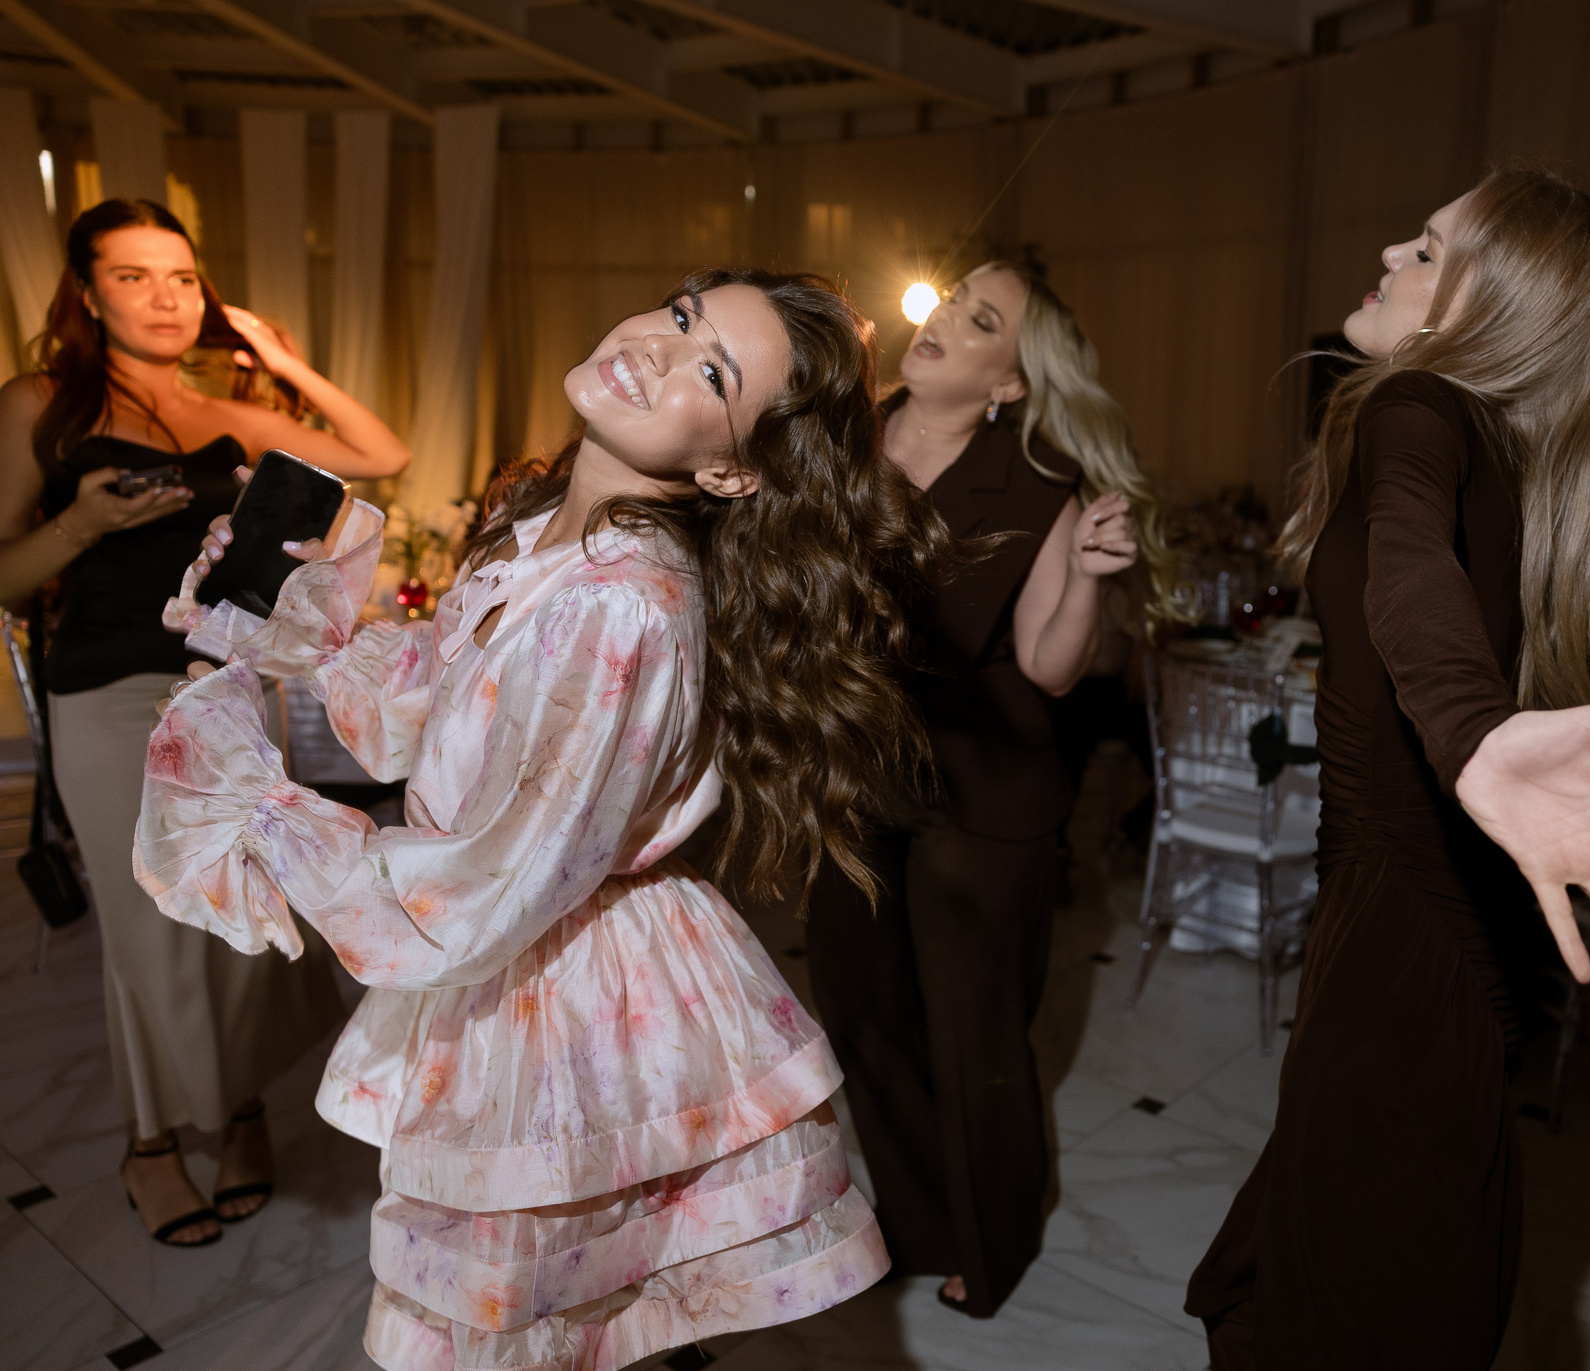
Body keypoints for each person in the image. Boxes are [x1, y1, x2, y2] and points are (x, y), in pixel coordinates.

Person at [136, 269, 945, 1367]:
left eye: (713, 371)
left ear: (729, 468)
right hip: (530, 946)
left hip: (558, 980)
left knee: (525, 1326)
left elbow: (495, 876)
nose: (660, 346)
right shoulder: (535, 525)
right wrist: (288, 615)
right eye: (682, 315)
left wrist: (259, 807)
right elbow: (432, 708)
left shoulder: (622, 603)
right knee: (552, 1325)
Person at [1184, 170, 1590, 1368]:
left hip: (1406, 940)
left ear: (1487, 307)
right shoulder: (1500, 443)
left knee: (1341, 1313)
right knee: (1338, 1279)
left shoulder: (1418, 404)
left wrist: (1470, 726)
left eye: (1428, 248)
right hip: (1449, 935)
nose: (1390, 252)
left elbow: (1409, 559)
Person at [0, 197, 409, 1247]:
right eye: (132, 276)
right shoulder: (40, 403)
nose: (164, 297)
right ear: (88, 294)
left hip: (224, 690)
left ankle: (236, 1115)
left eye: (182, 277)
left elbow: (381, 450)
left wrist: (278, 355)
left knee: (239, 918)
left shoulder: (220, 412)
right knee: (149, 929)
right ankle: (150, 1142)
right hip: (103, 690)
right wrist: (80, 523)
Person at [804, 261, 1175, 1317]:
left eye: (980, 321)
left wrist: (1090, 580)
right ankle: (918, 1219)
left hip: (987, 780)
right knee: (858, 1002)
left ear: (1009, 380)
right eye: (952, 302)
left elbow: (1051, 667)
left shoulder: (1037, 475)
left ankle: (992, 1241)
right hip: (863, 770)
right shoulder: (847, 436)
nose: (941, 324)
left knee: (975, 1033)